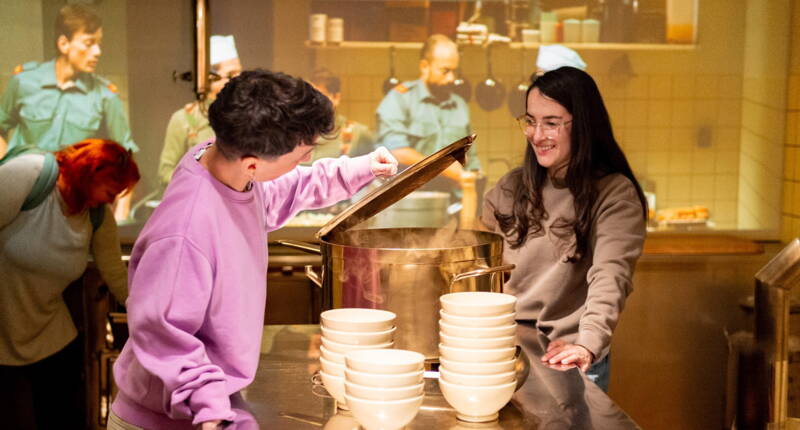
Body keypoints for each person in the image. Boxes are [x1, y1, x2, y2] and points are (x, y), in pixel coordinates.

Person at [109, 69, 397, 430]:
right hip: (167, 418)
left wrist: (360, 169)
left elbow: (290, 187)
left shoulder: (225, 168)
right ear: (253, 164)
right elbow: (164, 334)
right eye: (300, 156)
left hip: (209, 405)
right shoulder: (185, 232)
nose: (303, 163)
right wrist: (211, 409)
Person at [481, 67, 647, 392]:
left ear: (583, 125)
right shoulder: (512, 186)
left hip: (565, 357)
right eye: (530, 121)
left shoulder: (614, 193)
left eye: (552, 123)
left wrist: (587, 343)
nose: (536, 134)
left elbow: (610, 276)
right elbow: (482, 267)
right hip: (504, 349)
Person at [0, 139, 139, 429]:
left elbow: (114, 272)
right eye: (111, 191)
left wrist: (150, 316)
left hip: (51, 336)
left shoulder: (97, 214)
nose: (110, 201)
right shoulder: (31, 175)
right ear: (91, 172)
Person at [0, 4, 139, 219]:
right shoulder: (24, 82)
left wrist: (120, 217)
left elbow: (126, 158)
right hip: (22, 202)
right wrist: (7, 173)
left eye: (99, 44)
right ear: (64, 44)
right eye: (89, 43)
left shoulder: (105, 95)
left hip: (74, 206)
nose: (97, 52)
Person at [375, 34, 480, 191]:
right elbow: (396, 152)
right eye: (445, 71)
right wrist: (443, 167)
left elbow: (471, 159)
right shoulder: (399, 100)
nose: (451, 78)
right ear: (424, 66)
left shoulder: (459, 105)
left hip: (452, 202)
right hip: (410, 201)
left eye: (454, 71)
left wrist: (475, 177)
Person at [157, 34, 243, 187]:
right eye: (230, 75)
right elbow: (165, 172)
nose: (238, 82)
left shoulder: (247, 117)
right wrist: (199, 186)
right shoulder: (184, 119)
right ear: (209, 78)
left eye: (239, 74)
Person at [305, 67, 375, 163]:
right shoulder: (294, 135)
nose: (313, 104)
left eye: (320, 98)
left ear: (336, 98)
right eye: (308, 98)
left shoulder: (358, 134)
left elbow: (373, 173)